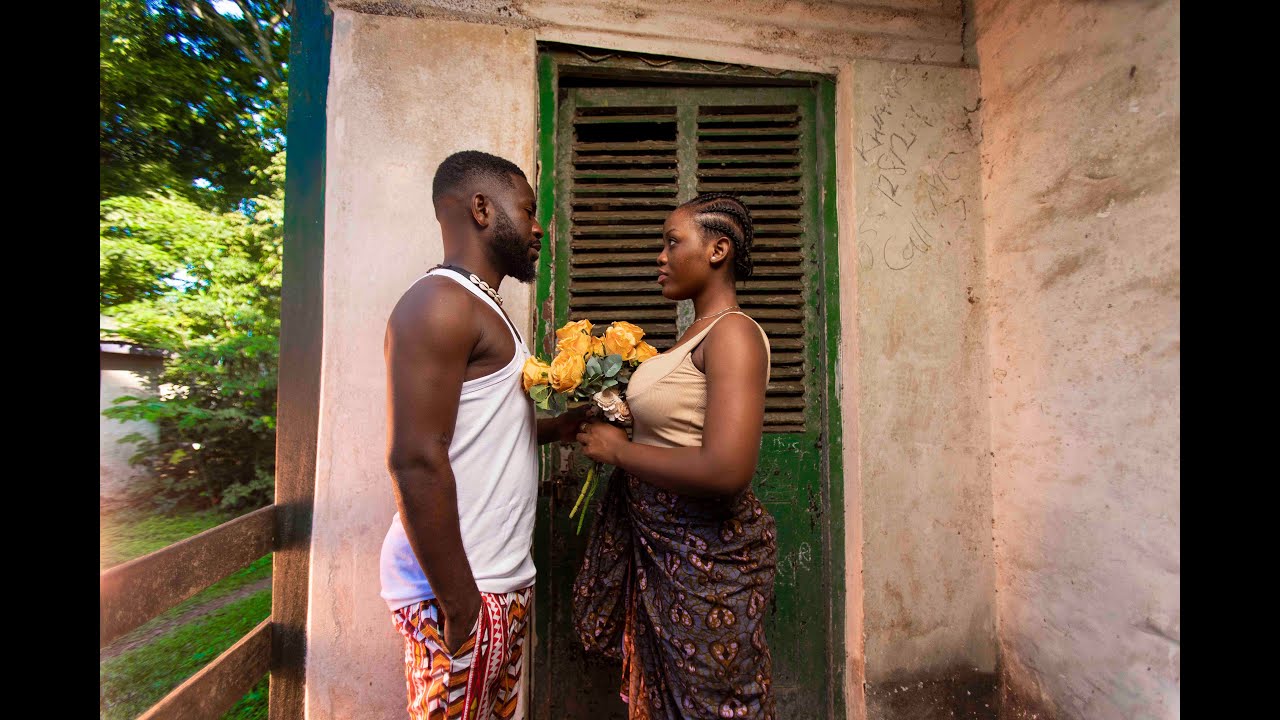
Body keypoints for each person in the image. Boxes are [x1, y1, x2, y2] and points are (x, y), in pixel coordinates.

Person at [379, 150, 588, 720]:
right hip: (466, 587)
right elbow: (415, 458)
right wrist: (461, 602)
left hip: (497, 581)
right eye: (527, 210)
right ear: (480, 208)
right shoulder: (440, 303)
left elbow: (478, 428)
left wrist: (555, 429)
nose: (538, 226)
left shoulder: (480, 304)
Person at [573, 193, 778, 719]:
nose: (659, 257)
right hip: (664, 555)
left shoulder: (733, 334)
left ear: (718, 250)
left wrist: (621, 453)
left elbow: (726, 469)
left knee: (719, 708)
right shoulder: (690, 338)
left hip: (706, 562)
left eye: (672, 242)